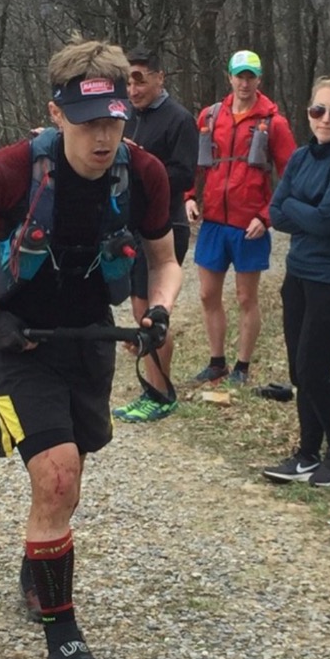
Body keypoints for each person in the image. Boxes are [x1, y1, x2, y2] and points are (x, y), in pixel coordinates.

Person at [0, 39, 178, 659]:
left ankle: (36, 575)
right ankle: (65, 652)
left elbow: (164, 259)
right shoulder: (12, 170)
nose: (103, 135)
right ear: (56, 113)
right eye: (87, 119)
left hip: (90, 338)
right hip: (16, 344)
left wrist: (157, 313)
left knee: (66, 485)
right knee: (56, 473)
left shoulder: (143, 172)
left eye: (114, 119)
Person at [260, 78, 330, 489]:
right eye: (318, 110)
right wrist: (297, 207)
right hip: (300, 274)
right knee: (298, 370)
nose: (325, 119)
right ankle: (306, 454)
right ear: (308, 111)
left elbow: (327, 221)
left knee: (314, 369)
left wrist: (295, 205)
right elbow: (276, 213)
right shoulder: (302, 157)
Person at [188, 49, 297, 387]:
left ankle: (242, 367)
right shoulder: (210, 116)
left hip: (249, 226)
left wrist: (266, 218)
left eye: (251, 76)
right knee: (207, 294)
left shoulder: (273, 122)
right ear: (230, 78)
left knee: (246, 298)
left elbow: (291, 176)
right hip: (214, 223)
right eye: (240, 75)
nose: (245, 82)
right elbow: (194, 163)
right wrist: (188, 197)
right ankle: (216, 361)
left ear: (259, 80)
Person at [112, 48, 196, 422]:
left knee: (153, 315)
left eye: (140, 78)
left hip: (166, 226)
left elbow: (185, 176)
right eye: (128, 80)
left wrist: (142, 161)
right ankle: (152, 388)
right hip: (130, 226)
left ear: (160, 78)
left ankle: (162, 394)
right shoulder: (123, 116)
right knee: (138, 310)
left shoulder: (179, 119)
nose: (133, 87)